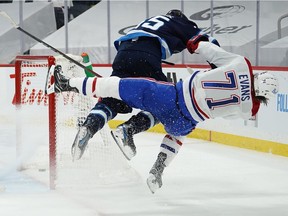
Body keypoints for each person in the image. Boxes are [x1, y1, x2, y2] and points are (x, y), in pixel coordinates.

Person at [52, 40, 279, 193]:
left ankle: (66, 84)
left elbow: (210, 51)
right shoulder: (248, 108)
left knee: (117, 87)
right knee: (174, 135)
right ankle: (157, 170)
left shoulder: (241, 64)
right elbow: (229, 114)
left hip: (174, 96)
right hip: (187, 120)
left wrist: (195, 44)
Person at [71, 9, 220, 162]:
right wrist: (218, 68)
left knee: (113, 99)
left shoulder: (152, 21)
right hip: (146, 55)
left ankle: (88, 127)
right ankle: (127, 130)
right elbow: (207, 41)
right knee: (169, 104)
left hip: (123, 53)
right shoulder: (179, 22)